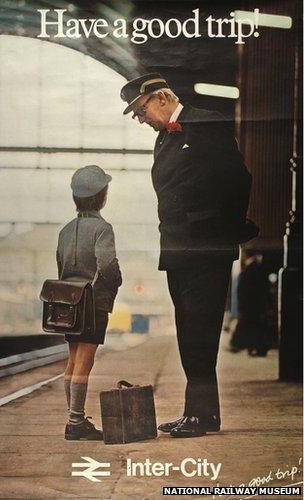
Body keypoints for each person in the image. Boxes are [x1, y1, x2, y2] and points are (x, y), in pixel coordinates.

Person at [120, 73, 256, 438]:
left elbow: (239, 180)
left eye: (141, 109)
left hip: (205, 249)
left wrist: (220, 229)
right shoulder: (164, 138)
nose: (140, 118)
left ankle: (200, 415)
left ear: (162, 98)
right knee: (189, 333)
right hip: (178, 251)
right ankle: (199, 414)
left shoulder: (205, 122)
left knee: (200, 333)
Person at [56, 165, 122, 440]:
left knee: (72, 361)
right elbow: (106, 264)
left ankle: (74, 418)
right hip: (92, 303)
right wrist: (117, 279)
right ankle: (75, 422)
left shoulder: (66, 230)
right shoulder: (102, 228)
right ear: (102, 196)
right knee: (85, 360)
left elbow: (60, 265)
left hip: (67, 303)